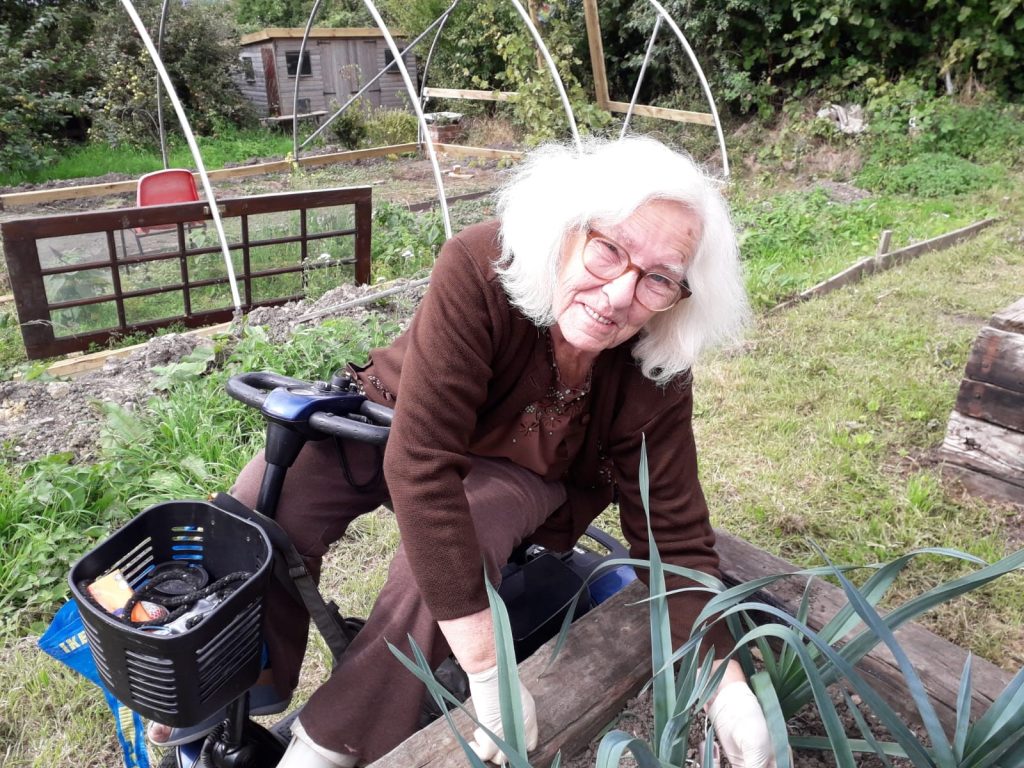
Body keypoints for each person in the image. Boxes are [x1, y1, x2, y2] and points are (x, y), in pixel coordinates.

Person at [149, 135, 774, 767]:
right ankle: (233, 694)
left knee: (453, 543)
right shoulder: (482, 264)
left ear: (680, 293)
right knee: (262, 503)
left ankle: (326, 749)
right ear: (568, 232)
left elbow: (676, 539)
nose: (618, 296)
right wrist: (487, 666)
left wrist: (726, 689)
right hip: (400, 415)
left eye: (659, 279)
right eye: (609, 249)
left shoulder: (655, 365)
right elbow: (421, 458)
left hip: (525, 467)